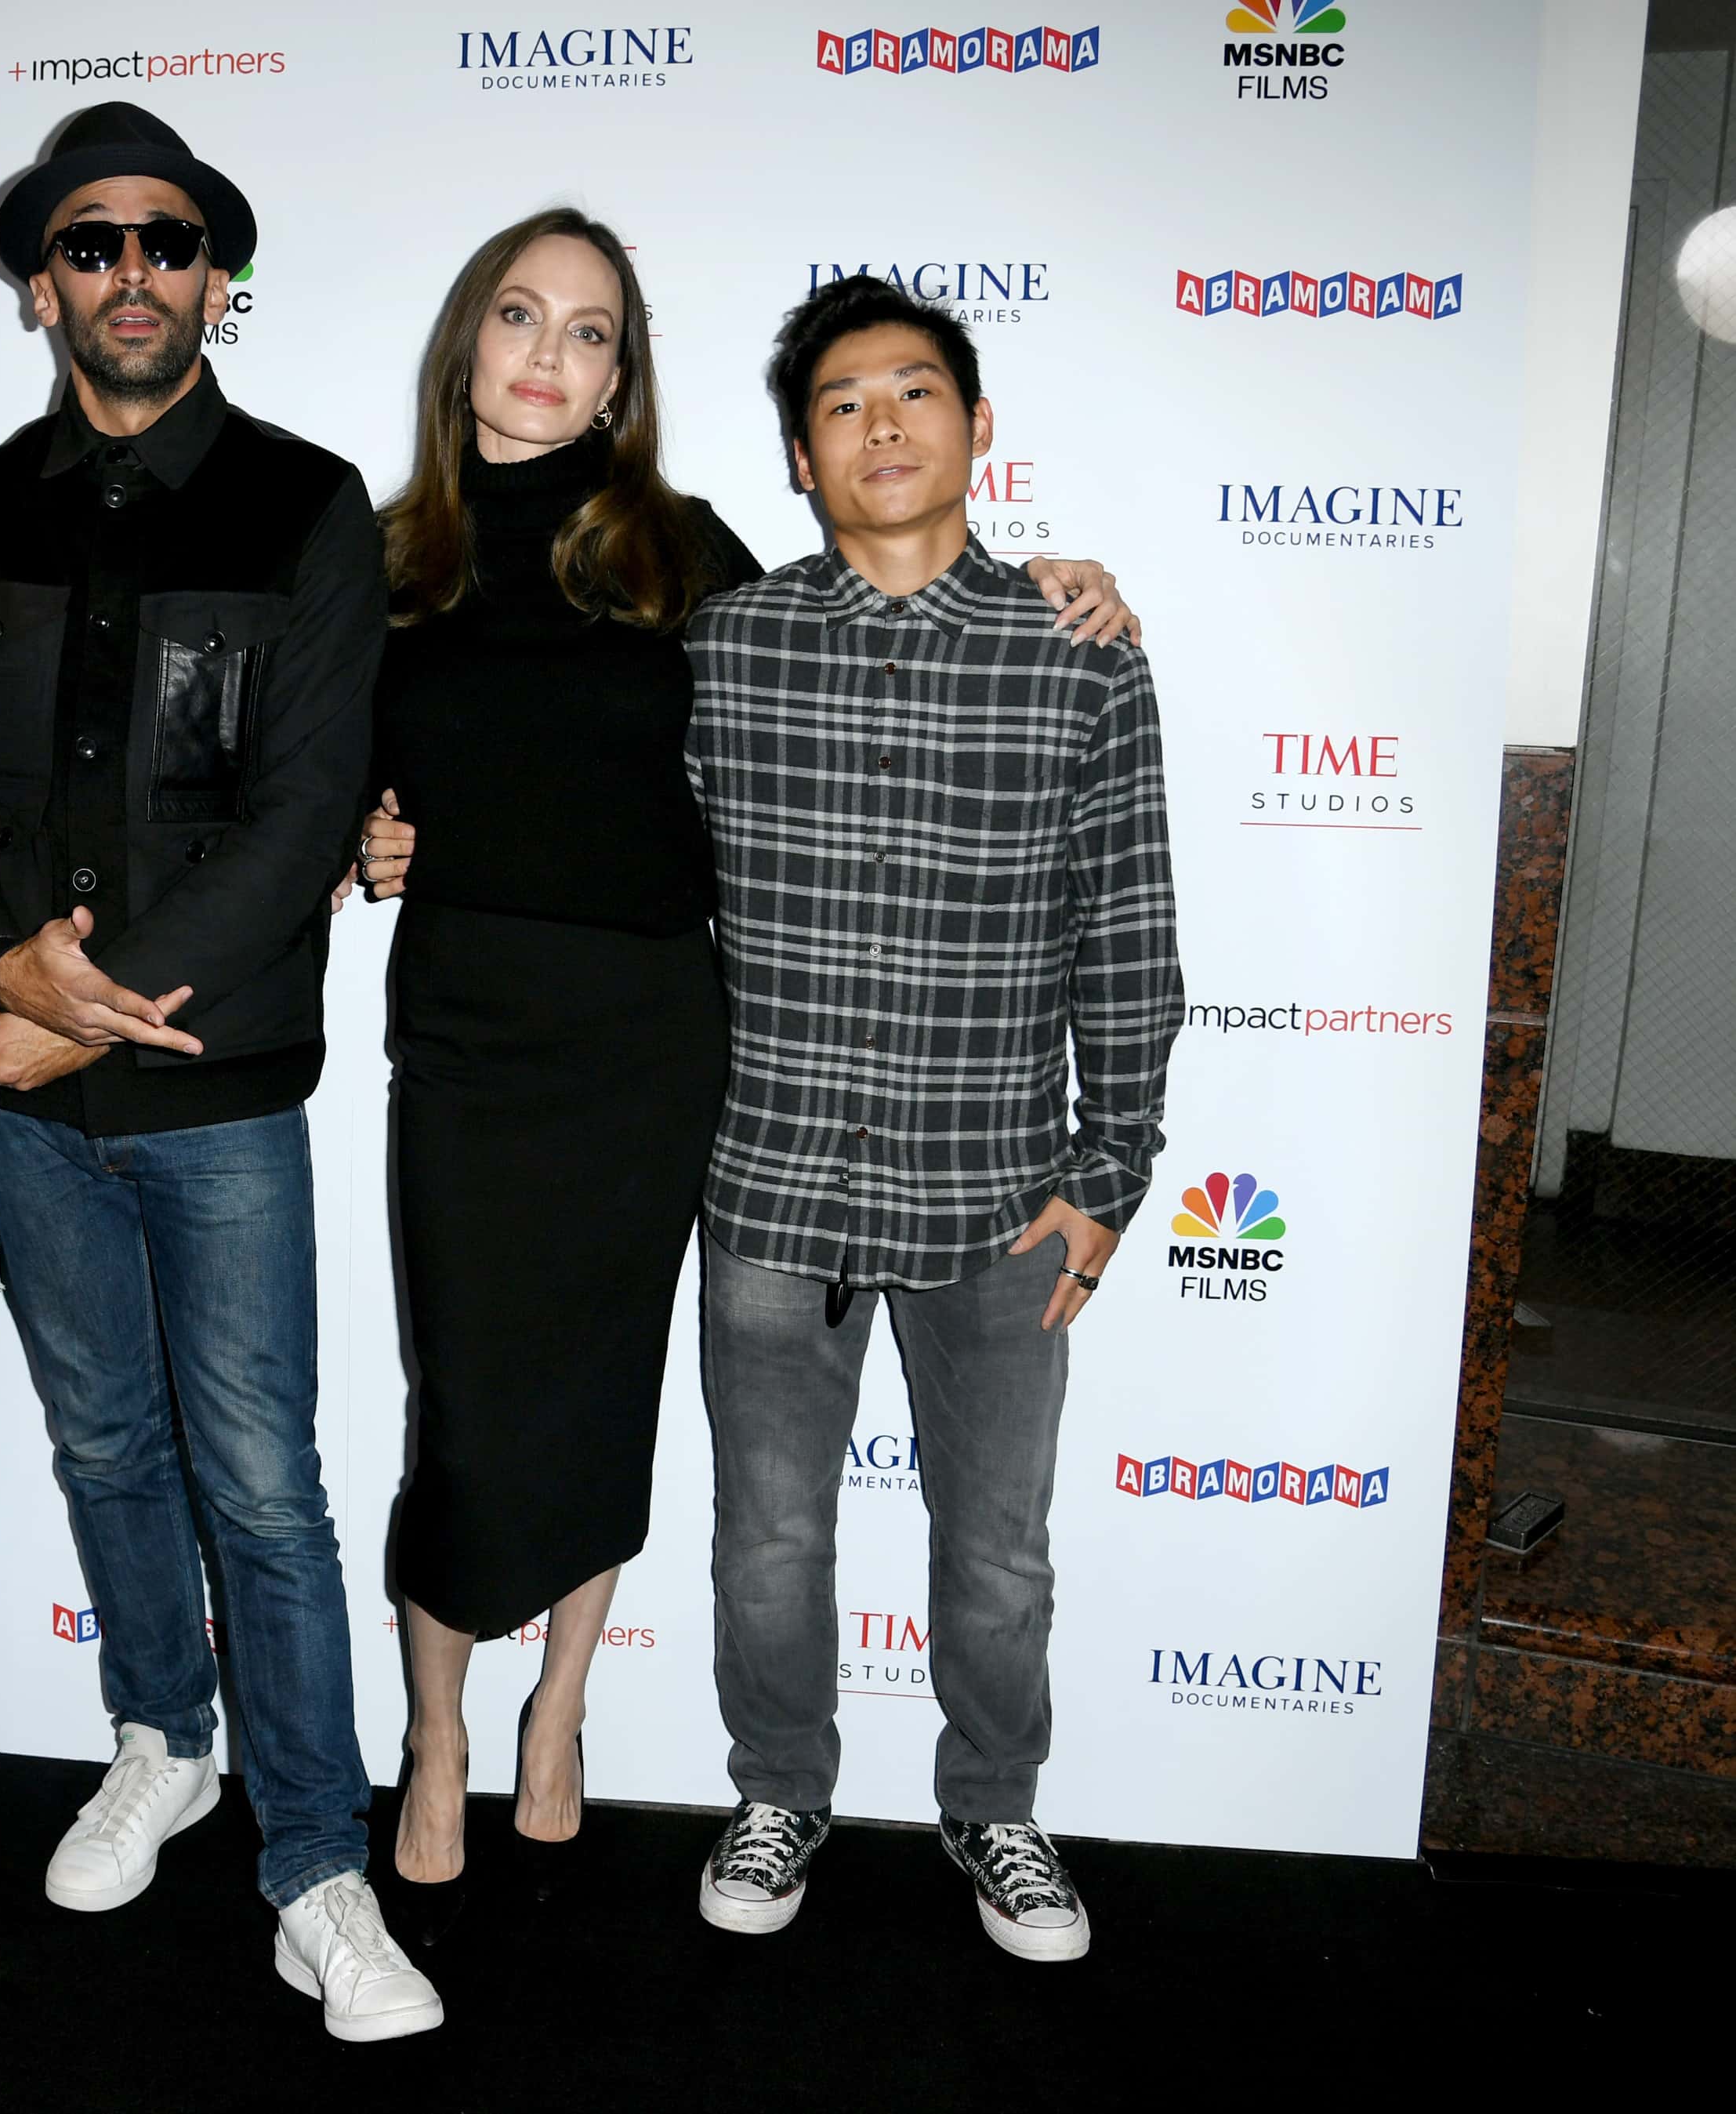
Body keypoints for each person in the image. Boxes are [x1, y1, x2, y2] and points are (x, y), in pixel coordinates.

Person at [357, 217, 1136, 1930]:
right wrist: (363, 825)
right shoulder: (386, 559)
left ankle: (579, 1711)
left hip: (666, 1052)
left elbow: (1090, 882)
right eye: (519, 317)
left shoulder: (674, 553)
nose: (550, 355)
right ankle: (451, 1736)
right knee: (489, 1410)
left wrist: (1070, 583)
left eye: (592, 333)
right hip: (508, 1046)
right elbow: (309, 763)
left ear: (626, 377)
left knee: (645, 1406)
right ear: (467, 341)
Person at [0, 103, 442, 2043]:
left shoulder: (306, 503)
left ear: (217, 276)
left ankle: (314, 1862)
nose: (136, 273)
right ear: (47, 280)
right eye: (93, 243)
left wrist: (77, 1003)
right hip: (25, 1092)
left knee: (265, 1483)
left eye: (171, 241)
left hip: (212, 1085)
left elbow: (295, 825)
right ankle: (158, 1735)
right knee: (106, 1447)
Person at [680, 273, 1181, 1961]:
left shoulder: (1080, 651)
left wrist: (1114, 1171)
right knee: (767, 1540)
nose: (881, 423)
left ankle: (996, 1803)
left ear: (976, 428)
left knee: (998, 1554)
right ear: (801, 458)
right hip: (770, 1187)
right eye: (841, 403)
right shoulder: (730, 643)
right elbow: (597, 849)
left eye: (914, 392)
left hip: (998, 1198)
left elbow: (1128, 927)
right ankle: (778, 1784)